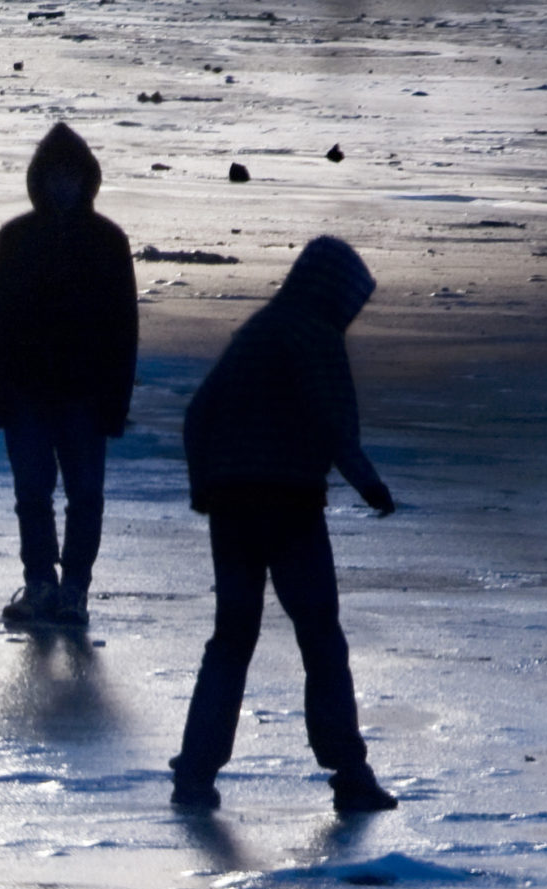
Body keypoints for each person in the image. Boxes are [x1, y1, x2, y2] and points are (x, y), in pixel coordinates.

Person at [168, 235, 398, 814]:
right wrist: (369, 484)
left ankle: (195, 772)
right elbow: (332, 422)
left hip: (232, 507)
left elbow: (198, 416)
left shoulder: (259, 330)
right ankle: (349, 772)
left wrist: (207, 487)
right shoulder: (314, 336)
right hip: (291, 506)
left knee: (231, 638)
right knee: (321, 637)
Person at [0, 123, 138, 628]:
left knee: (85, 495)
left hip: (86, 395)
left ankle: (74, 591)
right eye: (53, 175)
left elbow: (123, 328)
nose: (62, 185)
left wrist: (116, 402)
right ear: (39, 180)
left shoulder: (108, 241)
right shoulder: (16, 237)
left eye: (70, 175)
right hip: (25, 393)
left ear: (86, 179)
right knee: (32, 495)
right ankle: (41, 584)